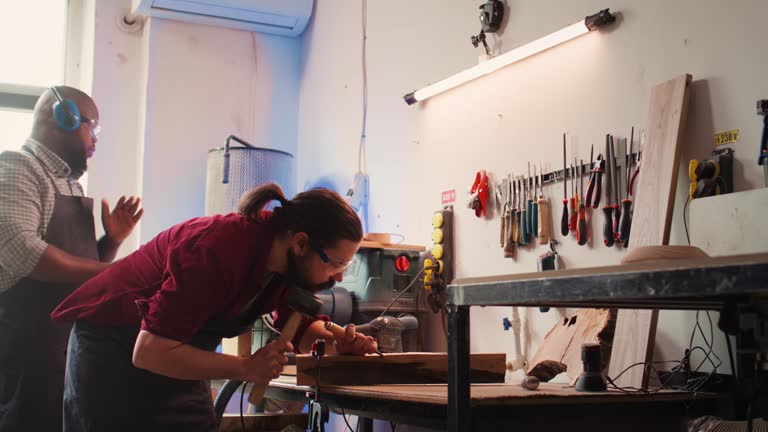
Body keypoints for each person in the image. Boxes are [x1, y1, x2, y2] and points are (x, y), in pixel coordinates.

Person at [51, 183, 378, 431]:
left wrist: (338, 345)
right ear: (301, 243)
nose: (339, 277)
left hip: (177, 349)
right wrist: (245, 368)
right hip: (115, 351)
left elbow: (303, 329)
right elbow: (148, 351)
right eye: (336, 263)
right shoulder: (216, 250)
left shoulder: (285, 267)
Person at [0, 86, 143, 431]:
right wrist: (115, 273)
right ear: (64, 117)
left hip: (65, 355)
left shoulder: (69, 185)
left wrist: (110, 242)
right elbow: (23, 252)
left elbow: (80, 278)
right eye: (92, 127)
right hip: (23, 357)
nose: (95, 139)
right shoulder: (18, 168)